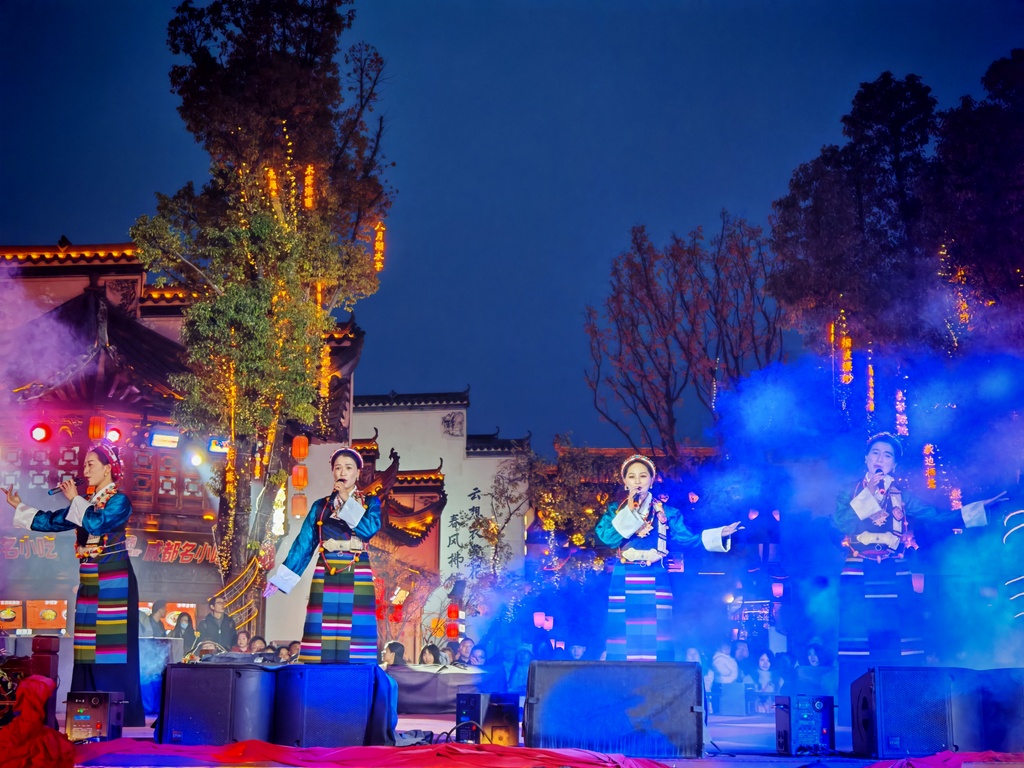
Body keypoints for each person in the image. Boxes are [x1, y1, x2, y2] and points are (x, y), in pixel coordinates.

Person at [3, 441, 144, 726]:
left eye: (91, 464)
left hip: (113, 578)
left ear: (108, 468)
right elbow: (53, 521)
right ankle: (85, 712)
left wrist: (75, 499)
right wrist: (21, 508)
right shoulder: (87, 502)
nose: (85, 469)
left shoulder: (120, 501)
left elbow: (96, 523)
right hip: (90, 579)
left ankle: (117, 713)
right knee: (86, 646)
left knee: (110, 646)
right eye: (84, 464)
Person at [833, 432, 1005, 664]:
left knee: (899, 638)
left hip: (893, 569)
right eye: (875, 453)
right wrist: (869, 495)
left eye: (887, 455)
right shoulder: (848, 491)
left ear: (894, 464)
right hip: (858, 568)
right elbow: (842, 523)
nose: (880, 459)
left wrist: (978, 509)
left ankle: (897, 694)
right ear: (866, 459)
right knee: (857, 637)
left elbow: (937, 516)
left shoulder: (901, 496)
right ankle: (856, 696)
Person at [594, 454, 742, 661]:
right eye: (632, 477)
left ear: (651, 480)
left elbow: (688, 540)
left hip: (656, 573)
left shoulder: (668, 512)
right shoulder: (614, 511)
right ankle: (622, 680)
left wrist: (719, 533)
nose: (637, 481)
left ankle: (658, 684)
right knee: (623, 635)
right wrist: (629, 511)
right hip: (624, 572)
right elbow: (607, 538)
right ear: (625, 481)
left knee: (657, 635)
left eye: (643, 476)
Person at [264, 446, 381, 663]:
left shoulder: (371, 502)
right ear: (333, 473)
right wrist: (281, 579)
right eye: (338, 468)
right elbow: (305, 543)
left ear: (357, 473)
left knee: (356, 626)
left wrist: (347, 500)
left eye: (348, 468)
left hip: (356, 566)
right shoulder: (321, 506)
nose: (342, 472)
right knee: (321, 625)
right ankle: (318, 675)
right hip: (326, 565)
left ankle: (357, 676)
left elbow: (369, 530)